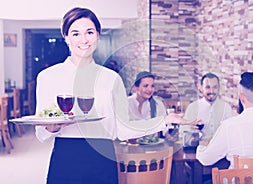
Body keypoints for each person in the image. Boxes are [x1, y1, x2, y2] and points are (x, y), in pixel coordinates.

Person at [34, 7, 190, 184]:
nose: (84, 40)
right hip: (66, 159)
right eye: (76, 33)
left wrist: (164, 120)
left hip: (103, 159)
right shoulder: (48, 77)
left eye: (89, 32)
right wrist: (53, 127)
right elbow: (41, 134)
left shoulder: (112, 78)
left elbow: (122, 129)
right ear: (66, 37)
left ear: (98, 35)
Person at [181, 72, 234, 145]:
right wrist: (191, 133)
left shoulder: (226, 107)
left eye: (215, 87)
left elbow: (231, 132)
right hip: (198, 150)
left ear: (219, 88)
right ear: (201, 88)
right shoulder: (193, 107)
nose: (211, 91)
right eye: (208, 87)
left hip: (220, 149)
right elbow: (183, 133)